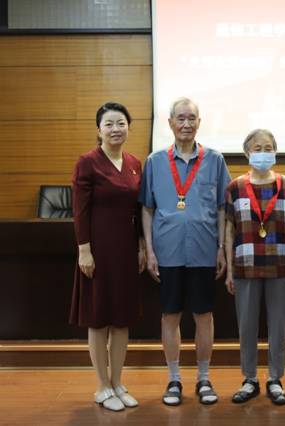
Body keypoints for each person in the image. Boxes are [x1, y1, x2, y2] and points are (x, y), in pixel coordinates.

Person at [139, 97, 230, 406]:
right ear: (170, 123)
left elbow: (222, 207)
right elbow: (147, 209)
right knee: (170, 315)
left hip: (204, 250)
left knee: (204, 315)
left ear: (199, 122)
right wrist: (150, 250)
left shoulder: (215, 160)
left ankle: (204, 378)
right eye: (180, 118)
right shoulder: (154, 162)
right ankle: (174, 379)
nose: (186, 124)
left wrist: (222, 248)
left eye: (192, 118)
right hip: (168, 251)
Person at [70, 102, 145, 412]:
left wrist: (141, 245)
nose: (116, 129)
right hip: (98, 251)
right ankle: (102, 386)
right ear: (99, 129)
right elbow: (80, 211)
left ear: (129, 127)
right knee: (99, 320)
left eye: (121, 123)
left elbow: (138, 209)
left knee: (122, 320)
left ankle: (117, 381)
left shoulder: (135, 163)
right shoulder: (87, 162)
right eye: (109, 124)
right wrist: (84, 250)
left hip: (125, 250)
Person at [225, 129, 285, 405]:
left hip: (281, 266)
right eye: (257, 148)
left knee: (278, 326)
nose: (263, 152)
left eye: (268, 147)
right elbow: (229, 228)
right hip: (245, 266)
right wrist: (229, 269)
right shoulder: (235, 187)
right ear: (247, 153)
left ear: (275, 151)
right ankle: (249, 378)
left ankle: (275, 378)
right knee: (246, 325)